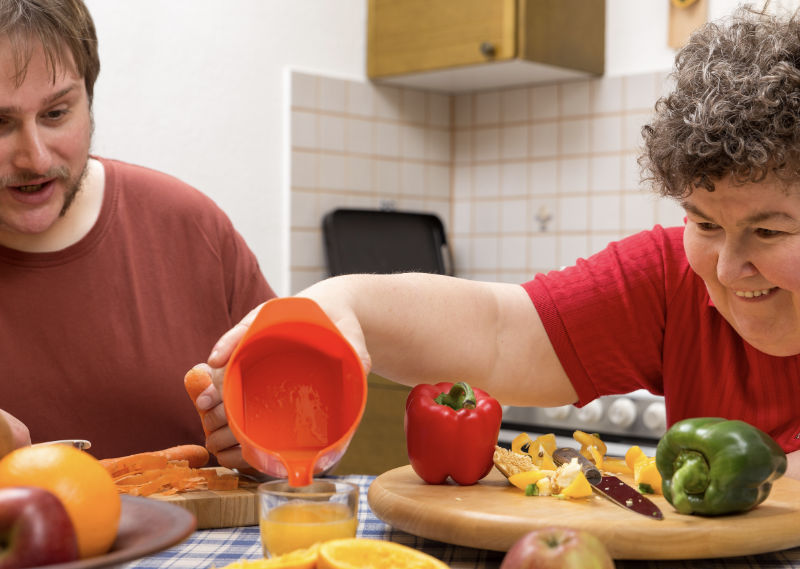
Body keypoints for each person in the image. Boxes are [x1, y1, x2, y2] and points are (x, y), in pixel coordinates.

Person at [203, 6, 800, 479]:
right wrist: (341, 304)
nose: (725, 268)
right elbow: (497, 332)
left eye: (769, 231)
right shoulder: (670, 278)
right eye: (705, 223)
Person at [0, 0, 275, 458]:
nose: (37, 159)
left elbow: (312, 419)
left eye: (56, 114)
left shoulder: (189, 224)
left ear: (89, 99)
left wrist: (274, 442)